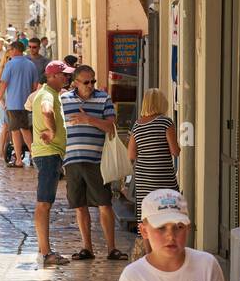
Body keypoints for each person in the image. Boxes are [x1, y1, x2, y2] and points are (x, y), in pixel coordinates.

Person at [62, 66, 127, 261]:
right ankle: (86, 248)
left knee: (104, 204)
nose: (90, 85)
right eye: (86, 82)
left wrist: (88, 119)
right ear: (75, 82)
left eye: (93, 81)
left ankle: (111, 248)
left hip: (97, 160)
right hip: (72, 159)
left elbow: (111, 127)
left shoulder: (103, 99)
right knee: (79, 205)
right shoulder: (64, 100)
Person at [30, 59, 74, 265]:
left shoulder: (50, 93)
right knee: (44, 204)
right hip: (48, 153)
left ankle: (43, 249)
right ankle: (46, 253)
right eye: (64, 74)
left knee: (45, 203)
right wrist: (53, 130)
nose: (67, 78)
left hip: (50, 153)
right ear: (54, 76)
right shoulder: (47, 94)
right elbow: (47, 110)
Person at [128, 89, 180, 253]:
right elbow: (175, 151)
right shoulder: (166, 122)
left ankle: (149, 253)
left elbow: (131, 154)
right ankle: (166, 249)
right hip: (162, 176)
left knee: (146, 215)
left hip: (143, 178)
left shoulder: (137, 125)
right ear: (161, 103)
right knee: (168, 212)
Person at [0, 40, 38, 169]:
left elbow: (4, 84)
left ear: (15, 50)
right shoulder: (31, 65)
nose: (10, 52)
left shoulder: (10, 64)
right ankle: (29, 157)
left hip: (13, 103)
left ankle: (22, 159)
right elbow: (35, 86)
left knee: (18, 131)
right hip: (27, 103)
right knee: (24, 129)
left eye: (10, 50)